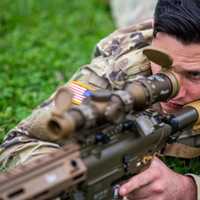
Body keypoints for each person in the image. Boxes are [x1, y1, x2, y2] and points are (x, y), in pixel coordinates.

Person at [0, 0, 200, 199]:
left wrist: (189, 189)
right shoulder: (118, 66)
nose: (177, 91)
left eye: (195, 75)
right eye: (160, 62)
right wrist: (63, 178)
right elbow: (21, 140)